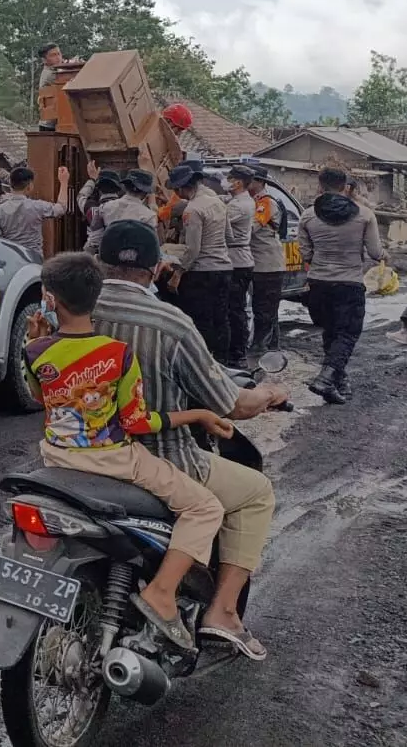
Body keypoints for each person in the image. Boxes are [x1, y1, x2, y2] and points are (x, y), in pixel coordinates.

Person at [93, 221, 286, 660]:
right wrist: (270, 394)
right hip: (158, 457)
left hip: (77, 452)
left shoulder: (75, 308)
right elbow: (230, 404)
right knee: (256, 492)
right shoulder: (171, 323)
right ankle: (221, 611)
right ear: (156, 267)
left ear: (100, 261)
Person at [26, 250, 230, 651]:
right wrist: (198, 414)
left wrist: (37, 339)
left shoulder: (35, 352)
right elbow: (137, 422)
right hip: (115, 462)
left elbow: (40, 397)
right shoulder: (118, 355)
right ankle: (163, 593)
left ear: (50, 300)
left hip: (56, 458)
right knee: (206, 508)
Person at [300, 167, 386, 404]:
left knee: (331, 332)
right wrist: (385, 255)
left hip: (318, 284)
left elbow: (305, 253)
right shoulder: (364, 215)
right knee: (347, 334)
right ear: (345, 186)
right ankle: (326, 379)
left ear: (320, 186)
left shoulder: (307, 215)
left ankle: (339, 383)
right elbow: (376, 252)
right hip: (349, 284)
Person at [166, 161, 234, 362]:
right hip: (224, 268)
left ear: (182, 188)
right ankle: (223, 361)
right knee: (221, 318)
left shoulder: (193, 209)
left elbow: (193, 249)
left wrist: (177, 274)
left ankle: (203, 363)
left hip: (202, 272)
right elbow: (229, 237)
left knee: (200, 320)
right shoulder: (218, 202)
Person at [245, 165, 288, 354]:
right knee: (265, 307)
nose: (247, 183)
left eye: (251, 180)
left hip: (268, 264)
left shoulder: (265, 203)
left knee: (265, 308)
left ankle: (261, 347)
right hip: (260, 263)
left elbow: (251, 228)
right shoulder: (252, 201)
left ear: (260, 182)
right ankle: (272, 346)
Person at [0, 165, 71, 256]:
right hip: (33, 258)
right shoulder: (37, 207)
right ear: (29, 186)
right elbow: (61, 209)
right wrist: (64, 182)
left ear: (10, 185)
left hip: (11, 259)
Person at [222, 165, 257, 366]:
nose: (226, 181)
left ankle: (238, 353)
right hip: (236, 258)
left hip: (237, 260)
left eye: (230, 178)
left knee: (235, 309)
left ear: (238, 182)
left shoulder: (240, 205)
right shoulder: (236, 201)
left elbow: (218, 217)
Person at [99, 168, 160, 233]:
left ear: (125, 187)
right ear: (145, 193)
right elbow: (151, 241)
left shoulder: (105, 207)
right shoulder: (149, 216)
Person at [82, 170, 126, 257]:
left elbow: (81, 196)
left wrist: (92, 180)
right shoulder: (126, 207)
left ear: (98, 189)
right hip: (118, 255)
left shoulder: (89, 206)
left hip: (93, 254)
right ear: (118, 190)